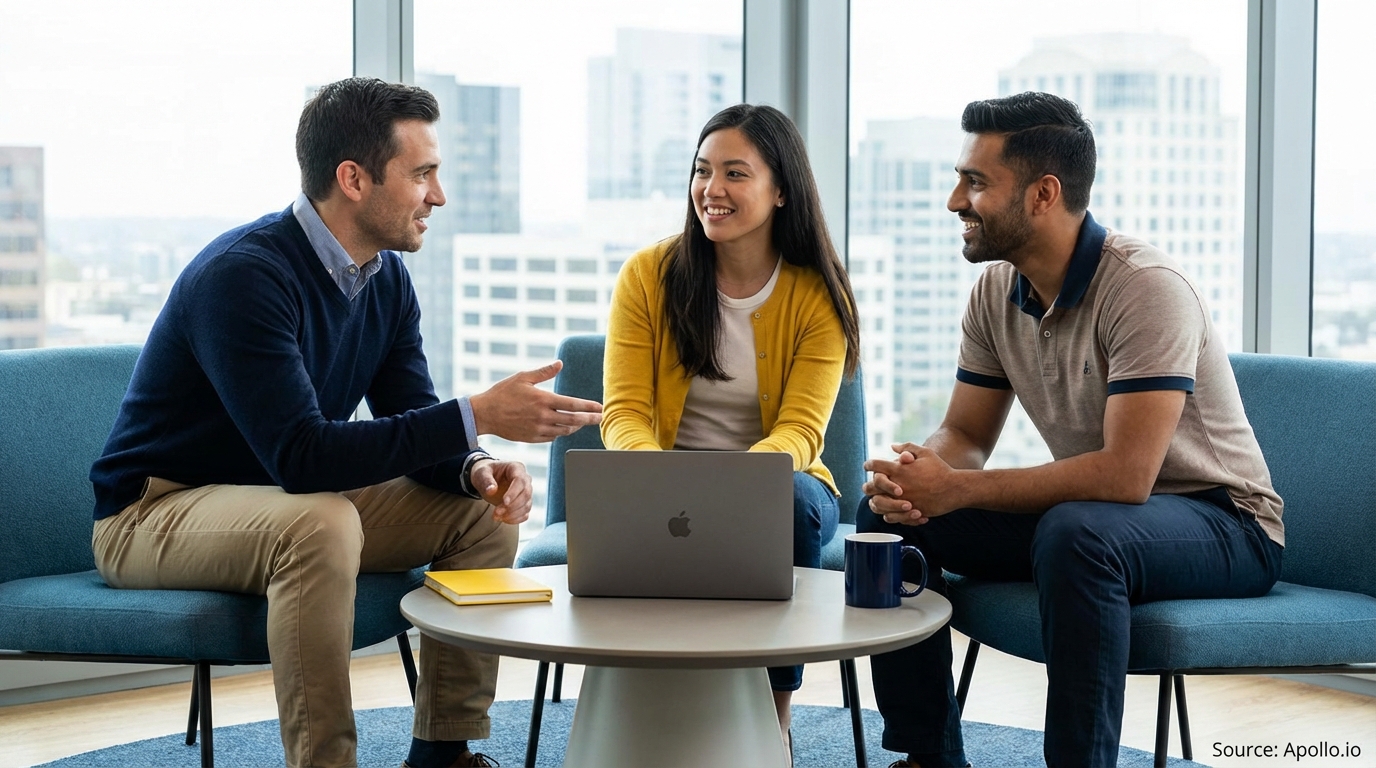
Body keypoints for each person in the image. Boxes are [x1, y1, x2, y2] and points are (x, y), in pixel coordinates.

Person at [88, 77, 603, 768]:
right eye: (422, 175)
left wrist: (474, 466)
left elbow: (410, 421)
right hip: (155, 512)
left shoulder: (385, 280)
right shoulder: (244, 276)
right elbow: (302, 458)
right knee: (322, 519)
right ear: (354, 178)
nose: (439, 196)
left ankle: (444, 755)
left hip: (277, 498)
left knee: (483, 514)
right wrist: (477, 412)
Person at [859, 92, 1284, 768]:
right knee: (886, 517)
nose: (953, 201)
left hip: (1224, 525)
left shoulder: (1145, 288)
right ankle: (926, 755)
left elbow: (1125, 475)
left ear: (1042, 194)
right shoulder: (996, 292)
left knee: (1077, 533)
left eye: (974, 182)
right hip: (1102, 522)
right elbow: (965, 432)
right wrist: (923, 474)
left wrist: (961, 490)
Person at [601, 102, 861, 758]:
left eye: (735, 173)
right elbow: (623, 413)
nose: (711, 190)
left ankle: (775, 716)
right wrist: (660, 475)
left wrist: (734, 484)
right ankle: (631, 717)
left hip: (777, 483)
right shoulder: (647, 276)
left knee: (792, 500)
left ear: (780, 191)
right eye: (701, 171)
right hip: (661, 481)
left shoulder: (816, 295)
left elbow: (802, 430)